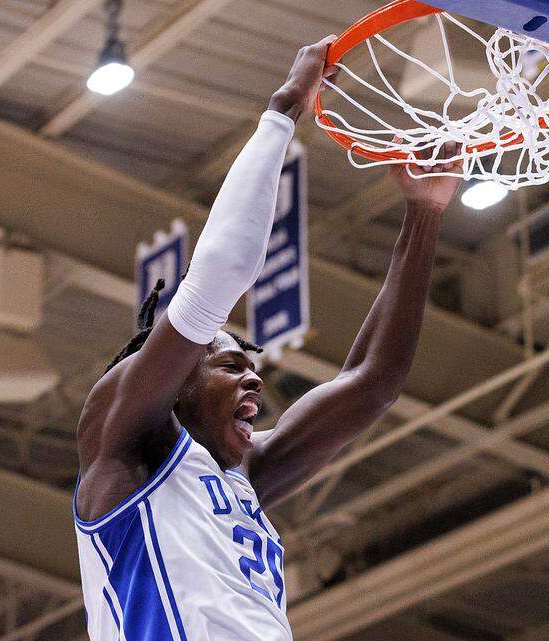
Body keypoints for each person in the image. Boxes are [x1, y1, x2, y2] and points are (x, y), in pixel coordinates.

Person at [72, 35, 463, 641]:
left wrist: (424, 212)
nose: (254, 376)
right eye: (228, 364)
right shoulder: (120, 443)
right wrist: (283, 109)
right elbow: (223, 269)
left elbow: (371, 384)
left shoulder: (239, 476)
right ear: (173, 386)